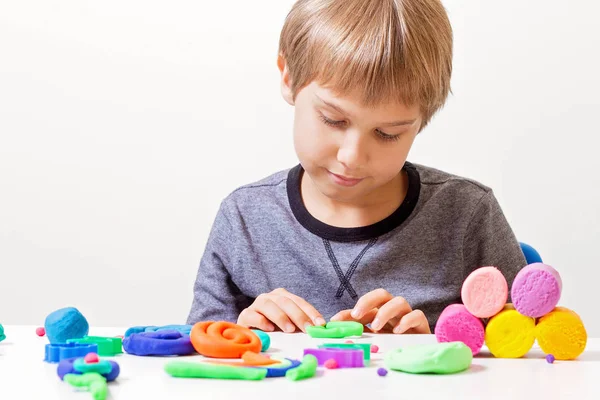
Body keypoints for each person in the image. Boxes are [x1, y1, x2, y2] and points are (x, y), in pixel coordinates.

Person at [187, 0, 527, 334]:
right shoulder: (244, 218)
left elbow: (529, 356)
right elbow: (194, 362)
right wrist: (239, 335)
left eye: (387, 133)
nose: (352, 156)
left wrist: (440, 348)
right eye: (333, 120)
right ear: (288, 77)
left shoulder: (467, 215)